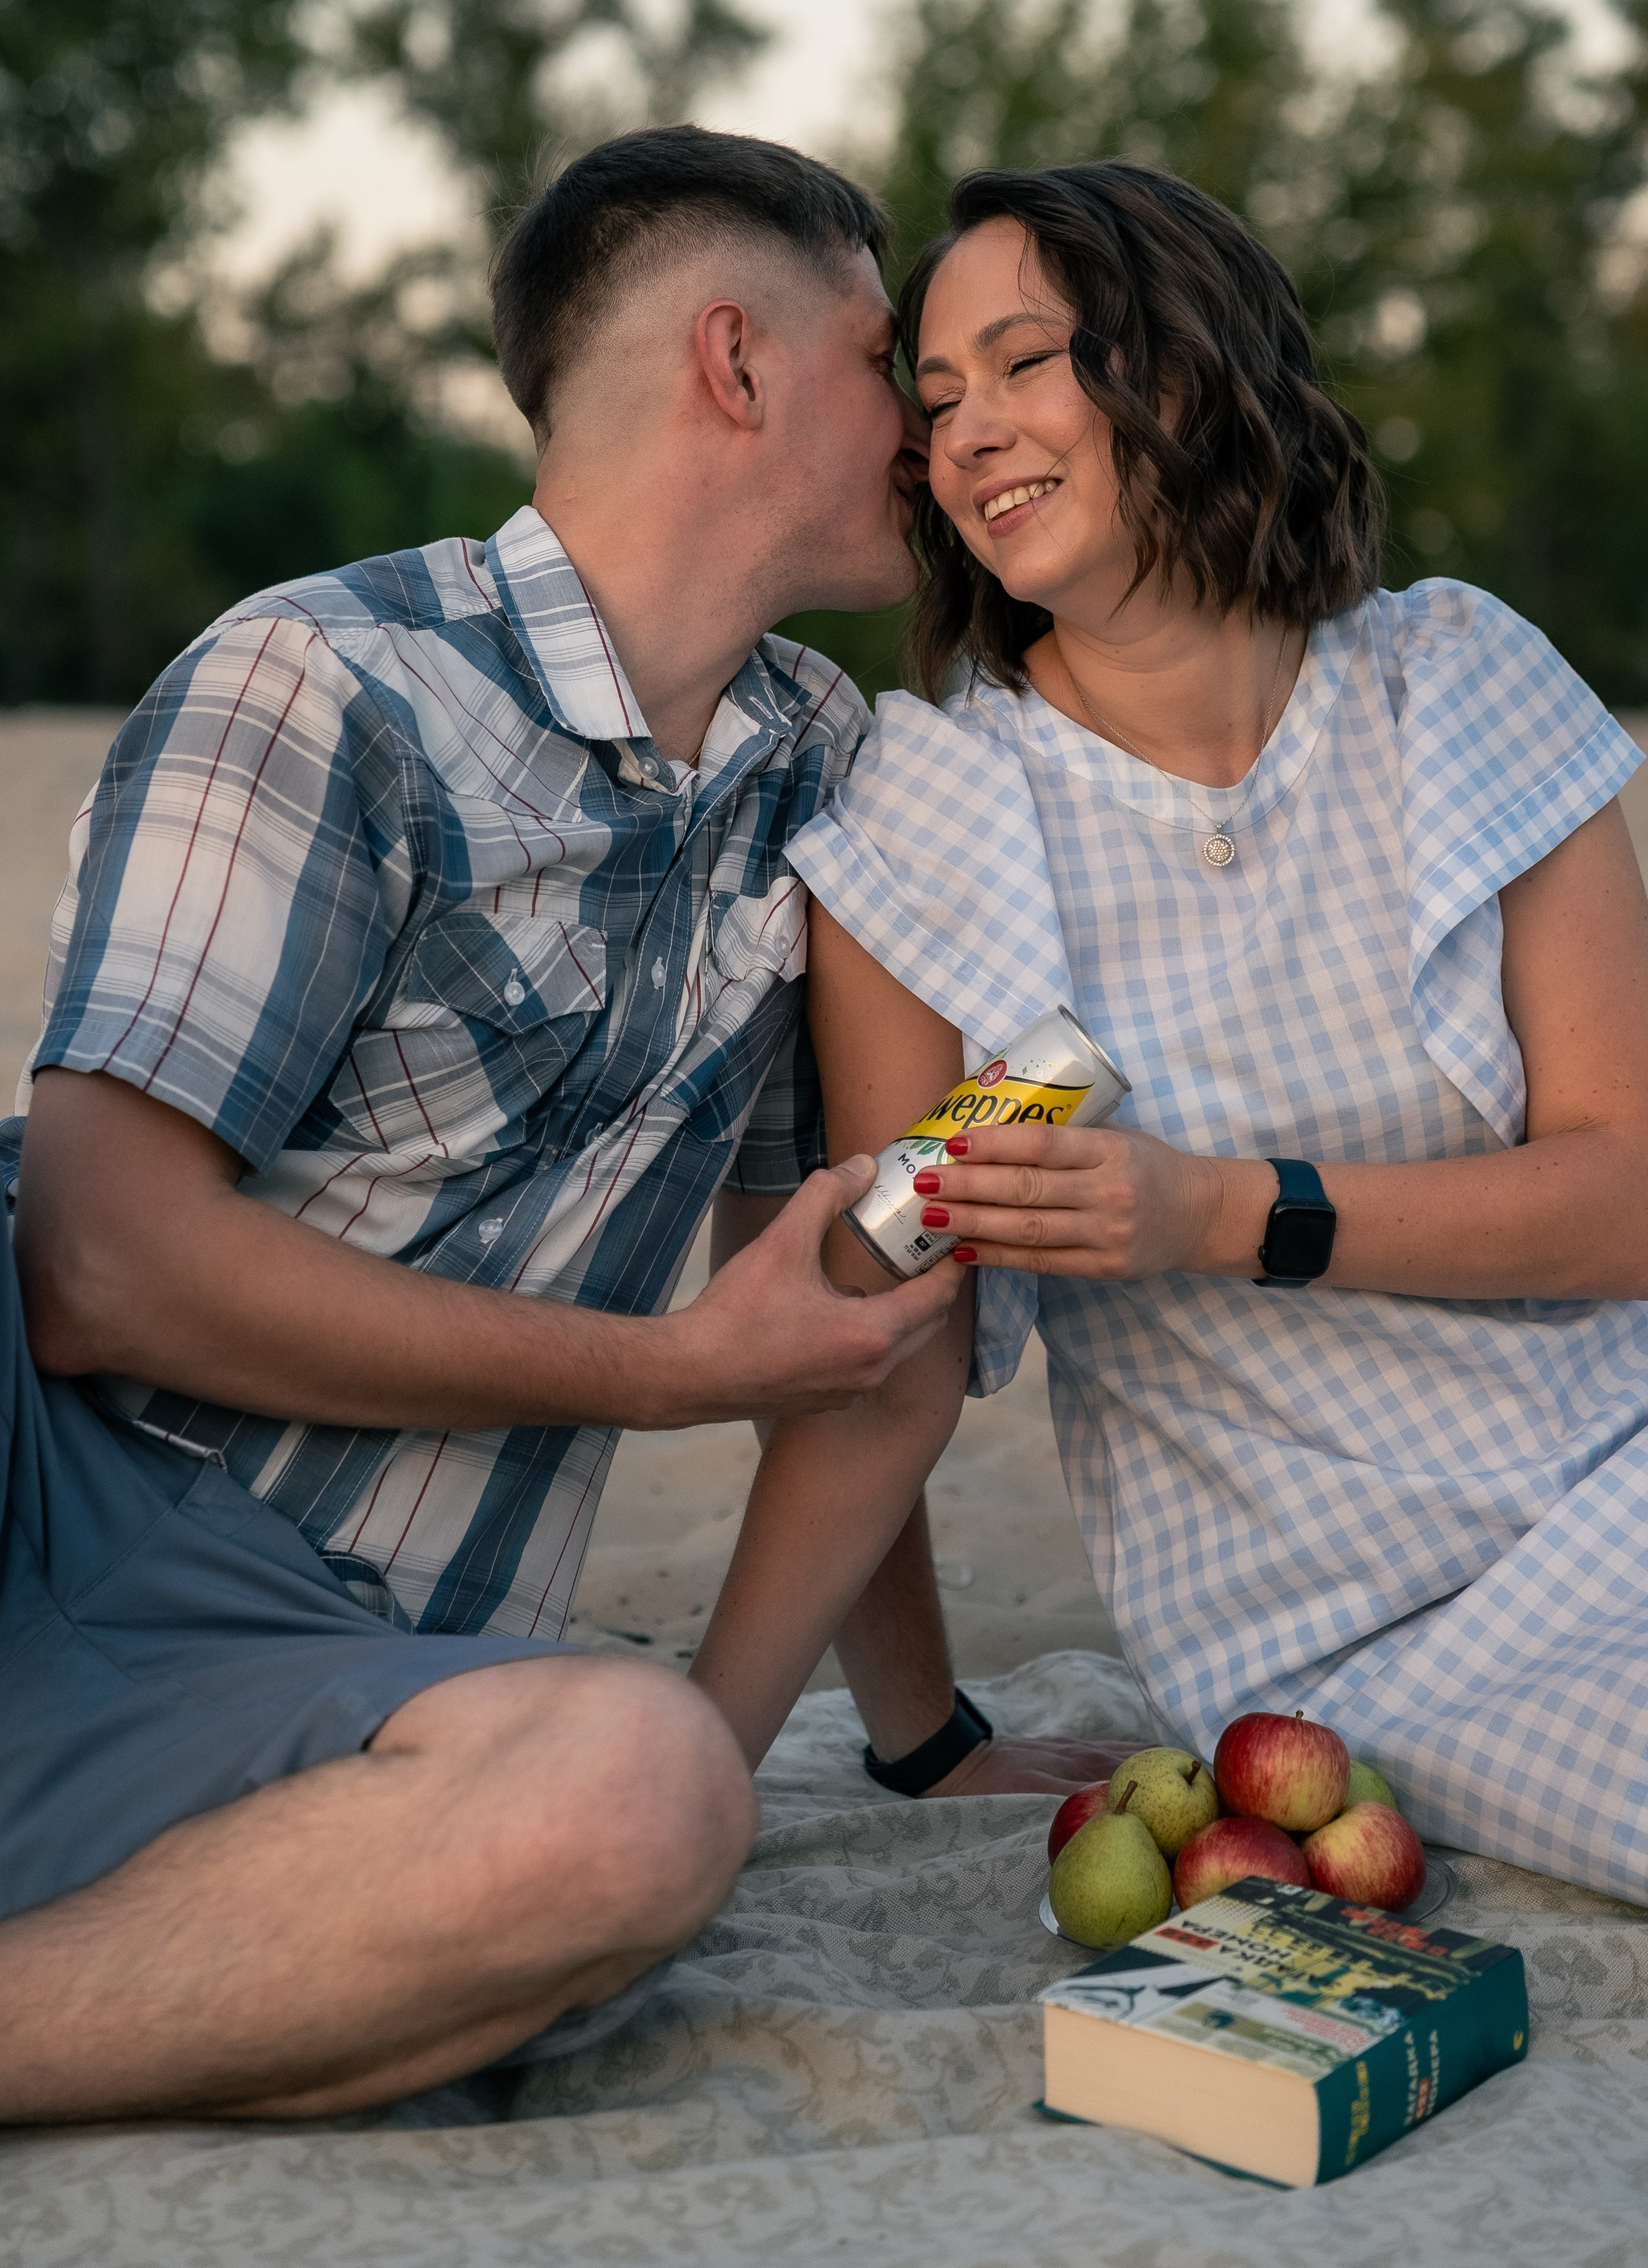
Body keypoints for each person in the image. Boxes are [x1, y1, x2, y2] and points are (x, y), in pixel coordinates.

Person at [0, 127, 1119, 2131]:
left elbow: (853, 1304)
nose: (941, 432)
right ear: (738, 361)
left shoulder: (830, 776)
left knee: (646, 1800)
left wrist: (919, 1725)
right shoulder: (332, 680)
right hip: (42, 1472)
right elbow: (95, 1265)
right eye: (902, 370)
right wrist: (676, 1373)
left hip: (348, 1674)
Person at [789, 156, 1648, 1914]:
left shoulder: (1453, 678)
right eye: (935, 400)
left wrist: (1217, 1211)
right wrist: (919, 1736)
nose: (969, 431)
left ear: (1180, 368)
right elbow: (876, 1337)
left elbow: (1632, 1212)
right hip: (1382, 1619)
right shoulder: (921, 813)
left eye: (1023, 361)